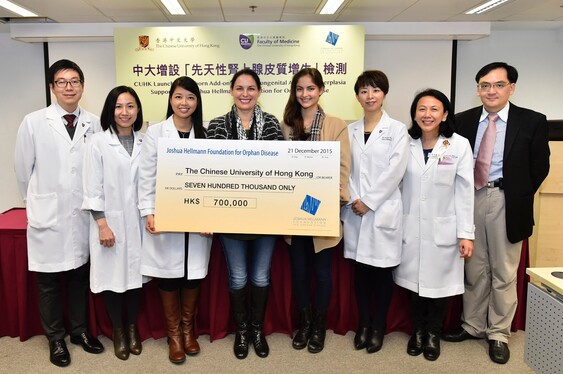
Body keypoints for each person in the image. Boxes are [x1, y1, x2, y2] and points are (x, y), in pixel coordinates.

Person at [442, 62, 550, 365]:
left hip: (507, 199)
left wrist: (516, 193)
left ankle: (499, 333)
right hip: (469, 198)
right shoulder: (462, 121)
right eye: (485, 85)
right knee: (474, 268)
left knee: (503, 271)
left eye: (498, 85)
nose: (491, 91)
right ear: (477, 89)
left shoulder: (532, 121)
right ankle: (473, 325)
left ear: (511, 88)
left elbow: (540, 166)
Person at [14, 59, 104, 367]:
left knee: (79, 277)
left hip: (80, 216)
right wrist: (39, 201)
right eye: (62, 82)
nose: (69, 87)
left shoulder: (94, 122)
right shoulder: (34, 121)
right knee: (49, 282)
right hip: (48, 215)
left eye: (75, 81)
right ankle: (55, 339)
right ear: (52, 87)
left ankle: (79, 332)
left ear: (82, 86)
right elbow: (23, 172)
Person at [207, 68, 283, 360]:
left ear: (259, 92)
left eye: (251, 88)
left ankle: (258, 330)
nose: (245, 93)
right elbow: (209, 173)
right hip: (230, 218)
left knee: (261, 277)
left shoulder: (273, 125)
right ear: (231, 91)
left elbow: (283, 172)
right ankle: (242, 332)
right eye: (239, 88)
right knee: (238, 277)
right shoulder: (216, 126)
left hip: (266, 217)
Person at [393, 89, 475, 361]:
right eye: (421, 109)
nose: (427, 115)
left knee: (439, 288)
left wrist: (465, 233)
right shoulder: (404, 142)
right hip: (411, 227)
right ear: (414, 114)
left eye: (434, 109)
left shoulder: (459, 145)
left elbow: (464, 192)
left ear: (445, 114)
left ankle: (432, 334)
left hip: (444, 228)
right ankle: (417, 331)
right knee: (414, 285)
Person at [138, 76, 212, 364]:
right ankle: (174, 336)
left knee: (192, 273)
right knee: (169, 275)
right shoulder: (156, 133)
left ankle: (187, 330)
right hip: (166, 216)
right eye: (179, 97)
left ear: (197, 102)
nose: (184, 103)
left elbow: (212, 181)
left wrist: (211, 215)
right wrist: (149, 212)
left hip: (197, 220)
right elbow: (146, 176)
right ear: (170, 99)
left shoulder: (203, 135)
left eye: (190, 98)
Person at [281, 67, 351, 354]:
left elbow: (342, 168)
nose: (305, 94)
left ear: (321, 90)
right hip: (292, 212)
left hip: (321, 211)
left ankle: (319, 327)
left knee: (322, 273)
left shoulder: (336, 124)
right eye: (300, 89)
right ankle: (305, 324)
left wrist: (326, 199)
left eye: (311, 88)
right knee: (298, 273)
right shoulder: (287, 125)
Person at [341, 70, 409, 354]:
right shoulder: (350, 129)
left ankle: (378, 327)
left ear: (384, 94)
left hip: (381, 211)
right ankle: (364, 326)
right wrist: (355, 198)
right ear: (357, 95)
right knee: (360, 275)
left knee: (381, 275)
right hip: (355, 211)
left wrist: (368, 201)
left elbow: (396, 171)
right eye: (364, 91)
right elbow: (344, 167)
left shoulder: (397, 130)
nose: (370, 96)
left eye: (375, 90)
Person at [82, 86, 145, 360]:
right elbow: (91, 186)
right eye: (119, 106)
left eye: (130, 106)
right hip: (109, 222)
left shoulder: (146, 141)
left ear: (138, 110)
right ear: (111, 110)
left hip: (139, 223)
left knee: (135, 278)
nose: (124, 112)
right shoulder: (97, 142)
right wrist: (102, 224)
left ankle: (132, 328)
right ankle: (118, 330)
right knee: (112, 277)